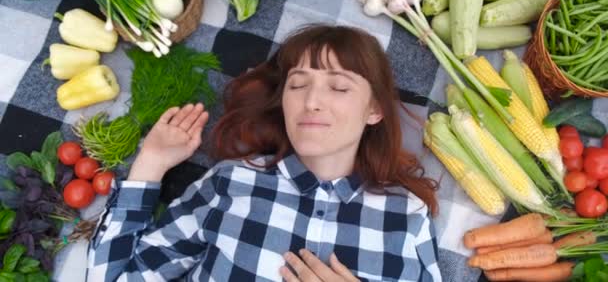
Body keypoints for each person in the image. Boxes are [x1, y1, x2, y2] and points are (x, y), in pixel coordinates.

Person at [87, 25, 441, 281]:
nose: (312, 102)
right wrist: (150, 165)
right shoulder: (232, 182)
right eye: (298, 85)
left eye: (338, 87)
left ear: (375, 110)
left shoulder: (408, 218)